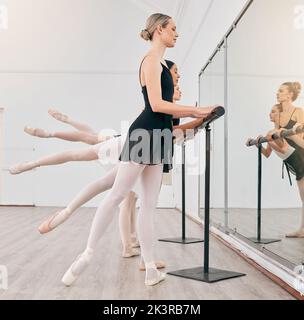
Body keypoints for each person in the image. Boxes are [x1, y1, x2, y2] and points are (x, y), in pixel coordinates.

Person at [60, 13, 215, 287]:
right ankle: (87, 253)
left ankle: (151, 268)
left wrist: (198, 117)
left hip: (160, 136)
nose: (177, 34)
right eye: (174, 29)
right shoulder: (151, 61)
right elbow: (156, 105)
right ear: (159, 30)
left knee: (149, 206)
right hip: (145, 132)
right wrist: (195, 108)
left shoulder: (165, 64)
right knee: (117, 194)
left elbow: (168, 108)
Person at [251, 82, 304, 238]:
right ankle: (302, 230)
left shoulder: (298, 112)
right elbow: (273, 142)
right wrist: (260, 142)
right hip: (292, 157)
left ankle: (302, 230)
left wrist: (287, 133)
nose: (277, 93)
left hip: (301, 153)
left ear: (289, 95)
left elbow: (300, 139)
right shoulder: (279, 116)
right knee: (303, 197)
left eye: (281, 91)